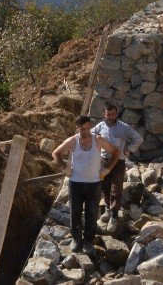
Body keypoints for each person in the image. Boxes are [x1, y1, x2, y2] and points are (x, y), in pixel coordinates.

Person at [52, 115, 120, 254]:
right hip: (75, 183)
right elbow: (56, 153)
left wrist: (108, 169)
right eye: (82, 129)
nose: (86, 131)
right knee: (75, 212)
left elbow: (116, 152)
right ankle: (76, 239)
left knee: (92, 213)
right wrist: (65, 168)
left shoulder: (97, 139)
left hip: (94, 184)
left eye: (88, 128)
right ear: (77, 128)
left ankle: (88, 240)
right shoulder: (73, 141)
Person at [92, 103, 143, 232]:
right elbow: (91, 136)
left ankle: (114, 216)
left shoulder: (124, 128)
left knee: (116, 188)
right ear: (104, 113)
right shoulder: (100, 126)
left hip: (118, 162)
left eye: (113, 114)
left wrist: (128, 150)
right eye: (108, 114)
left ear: (117, 114)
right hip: (103, 161)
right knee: (105, 186)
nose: (110, 117)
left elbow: (138, 138)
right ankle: (108, 210)